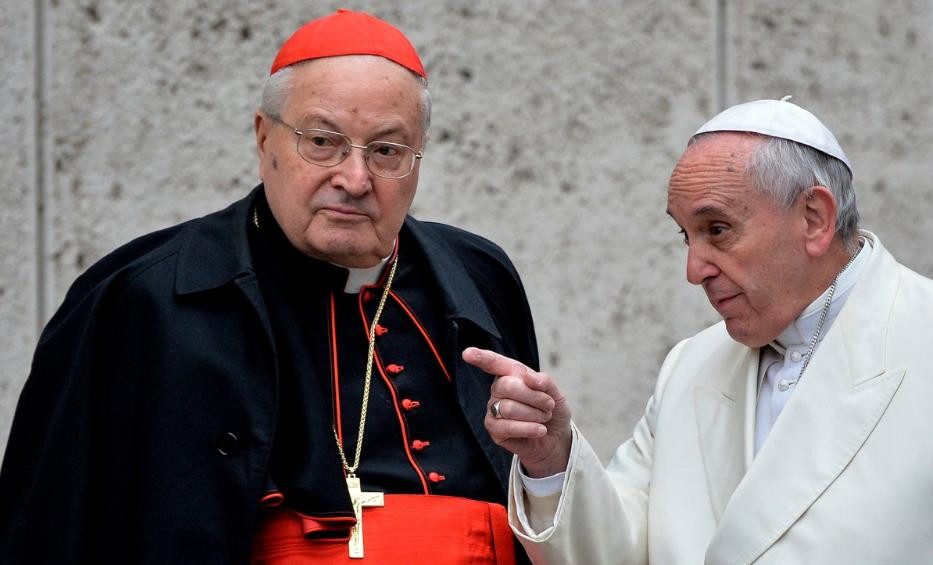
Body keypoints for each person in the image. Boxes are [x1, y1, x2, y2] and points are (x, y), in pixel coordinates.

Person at [0, 10, 537, 564]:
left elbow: (529, 497)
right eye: (323, 141)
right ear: (264, 139)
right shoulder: (138, 297)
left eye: (386, 151)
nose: (354, 179)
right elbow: (48, 528)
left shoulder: (479, 276)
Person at [465, 97, 933, 564]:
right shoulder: (690, 366)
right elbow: (619, 551)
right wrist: (551, 461)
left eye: (719, 229)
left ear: (814, 218)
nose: (694, 270)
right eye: (686, 236)